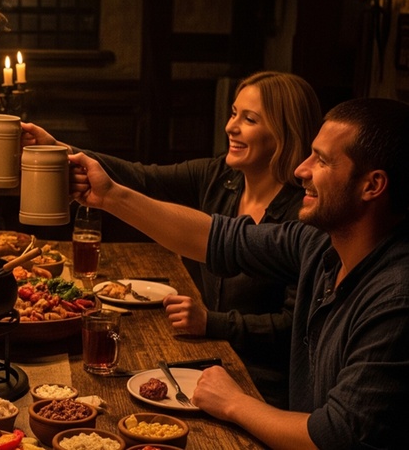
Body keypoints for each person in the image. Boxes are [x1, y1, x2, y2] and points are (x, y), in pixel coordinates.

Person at [68, 97, 409, 449]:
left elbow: (334, 437)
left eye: (321, 160)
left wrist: (234, 402)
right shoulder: (321, 244)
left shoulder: (395, 299)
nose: (301, 170)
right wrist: (109, 196)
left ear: (372, 185)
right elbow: (213, 238)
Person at [22, 71, 322, 407]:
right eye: (233, 113)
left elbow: (294, 328)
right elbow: (142, 178)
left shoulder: (308, 213)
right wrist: (60, 149)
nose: (230, 127)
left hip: (261, 384)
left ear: (285, 132)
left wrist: (213, 322)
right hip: (204, 358)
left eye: (249, 119)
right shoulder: (220, 176)